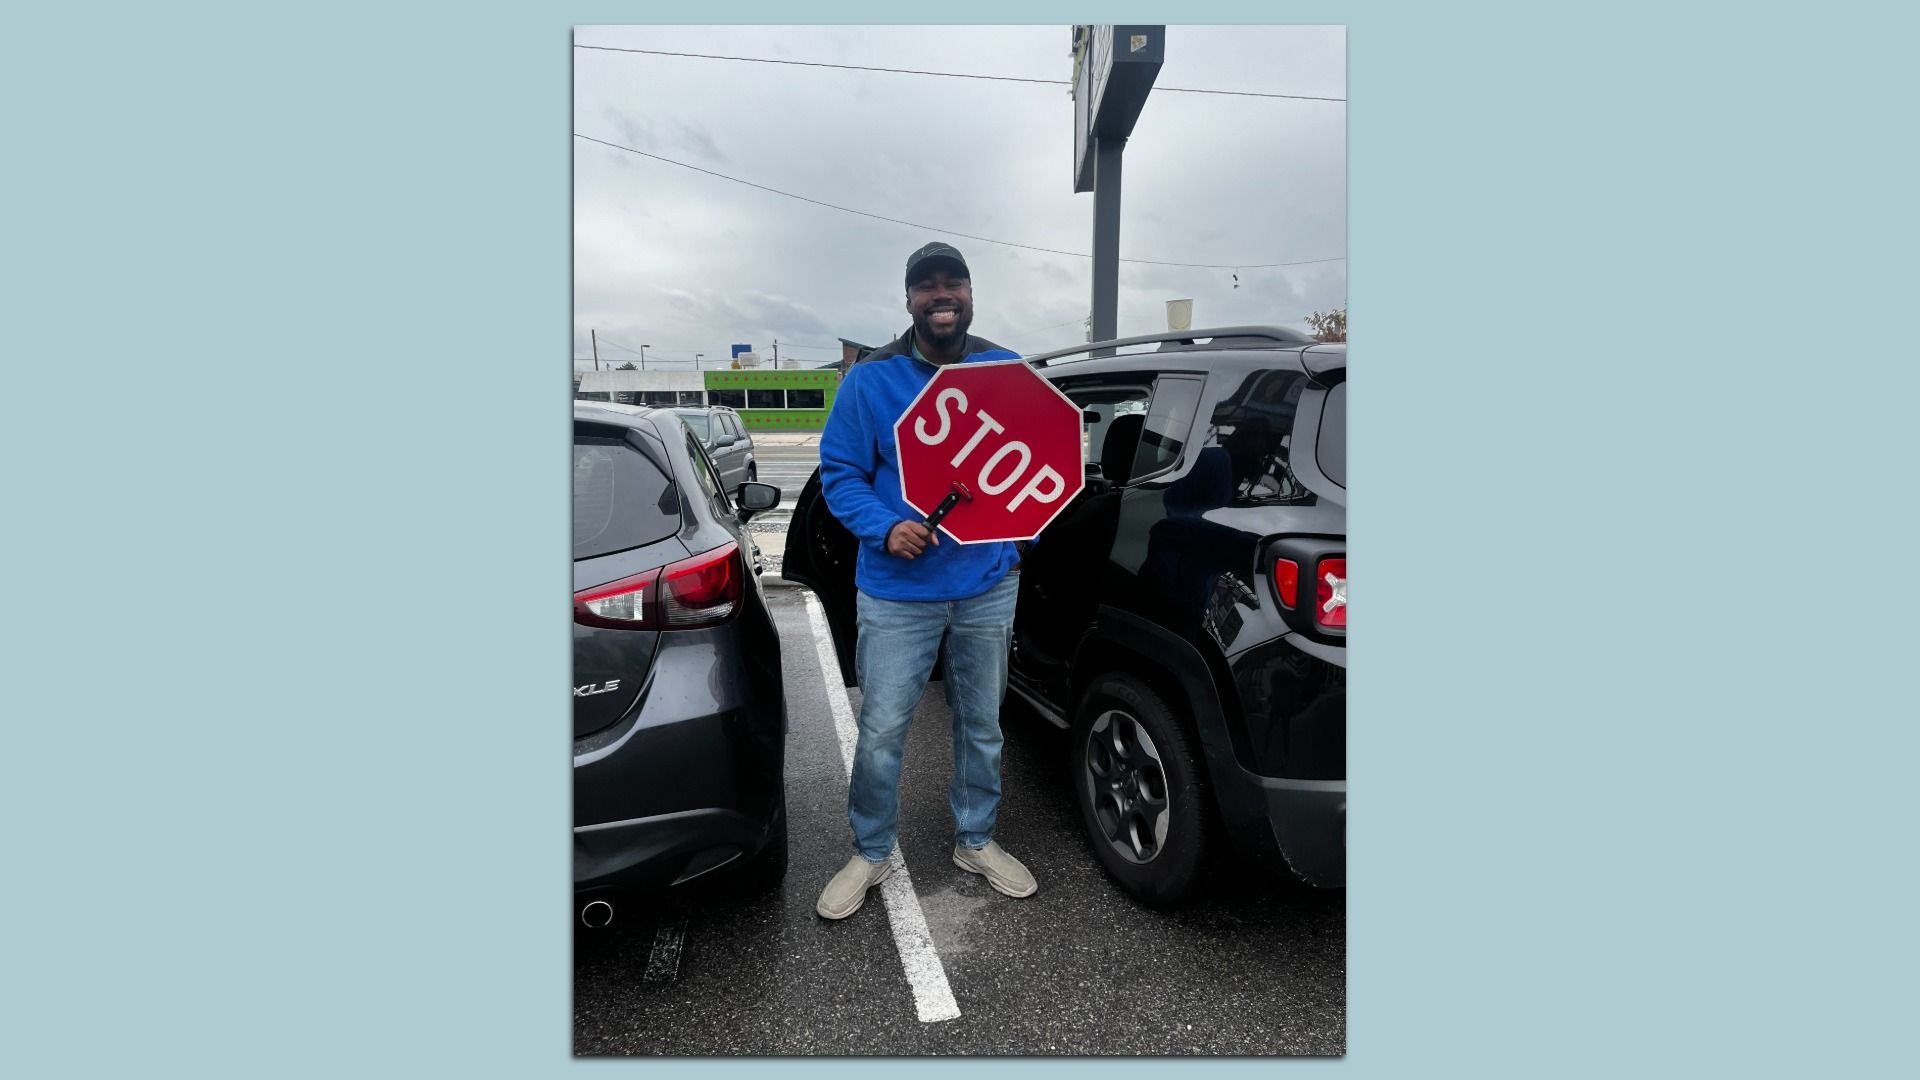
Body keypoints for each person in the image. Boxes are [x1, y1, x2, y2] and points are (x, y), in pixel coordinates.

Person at [813, 241, 1039, 920]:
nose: (942, 295)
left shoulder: (1005, 369)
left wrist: (1016, 541)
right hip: (895, 593)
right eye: (926, 286)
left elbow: (1039, 464)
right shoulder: (871, 379)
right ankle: (871, 850)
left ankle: (975, 839)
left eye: (954, 283)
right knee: (882, 729)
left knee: (982, 725)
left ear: (971, 294)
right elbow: (840, 475)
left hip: (987, 586)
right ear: (908, 300)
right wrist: (885, 527)